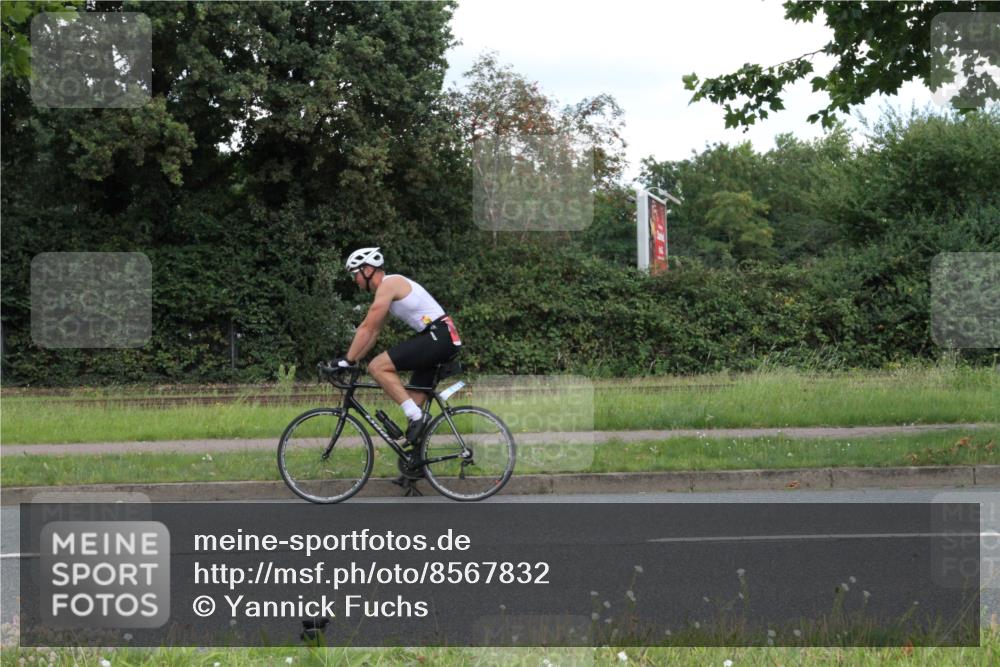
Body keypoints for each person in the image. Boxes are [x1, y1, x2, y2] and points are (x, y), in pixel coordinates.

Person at [330, 246, 462, 447]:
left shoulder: (389, 284)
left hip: (440, 335)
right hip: (439, 337)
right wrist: (353, 360)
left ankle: (417, 418)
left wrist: (346, 361)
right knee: (414, 408)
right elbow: (373, 333)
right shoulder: (388, 291)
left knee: (377, 366)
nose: (354, 280)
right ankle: (413, 468)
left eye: (355, 274)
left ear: (367, 270)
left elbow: (366, 327)